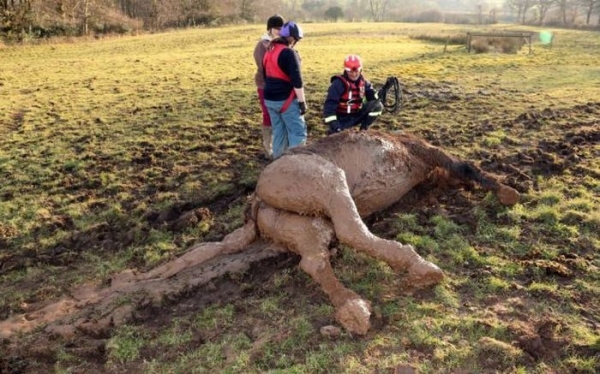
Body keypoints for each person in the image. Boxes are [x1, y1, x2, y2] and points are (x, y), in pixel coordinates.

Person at [263, 21, 308, 159]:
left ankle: (279, 166)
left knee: (279, 132)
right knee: (297, 132)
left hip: (270, 100)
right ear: (292, 38)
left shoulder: (269, 50)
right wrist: (302, 102)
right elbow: (297, 81)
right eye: (296, 40)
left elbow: (266, 75)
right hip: (286, 101)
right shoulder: (289, 53)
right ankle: (295, 164)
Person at [323, 54, 383, 134]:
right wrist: (335, 126)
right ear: (346, 70)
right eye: (351, 72)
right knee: (337, 139)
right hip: (341, 119)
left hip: (356, 115)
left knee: (378, 105)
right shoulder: (337, 84)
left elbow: (372, 98)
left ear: (360, 70)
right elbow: (329, 107)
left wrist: (382, 92)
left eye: (356, 71)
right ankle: (335, 131)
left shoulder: (364, 82)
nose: (354, 74)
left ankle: (364, 130)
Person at [253, 14, 285, 159]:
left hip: (279, 85)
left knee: (280, 114)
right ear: (270, 28)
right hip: (265, 85)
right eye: (276, 28)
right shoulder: (262, 45)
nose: (279, 31)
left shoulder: (281, 43)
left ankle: (280, 145)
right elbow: (264, 66)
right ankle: (268, 148)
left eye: (281, 28)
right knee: (268, 115)